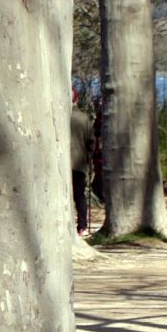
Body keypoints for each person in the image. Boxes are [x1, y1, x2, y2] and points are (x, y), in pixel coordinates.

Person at [70, 101, 94, 236]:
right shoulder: (84, 118)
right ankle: (82, 226)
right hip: (79, 163)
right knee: (79, 196)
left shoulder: (60, 115)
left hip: (63, 163)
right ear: (77, 100)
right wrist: (88, 157)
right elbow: (91, 141)